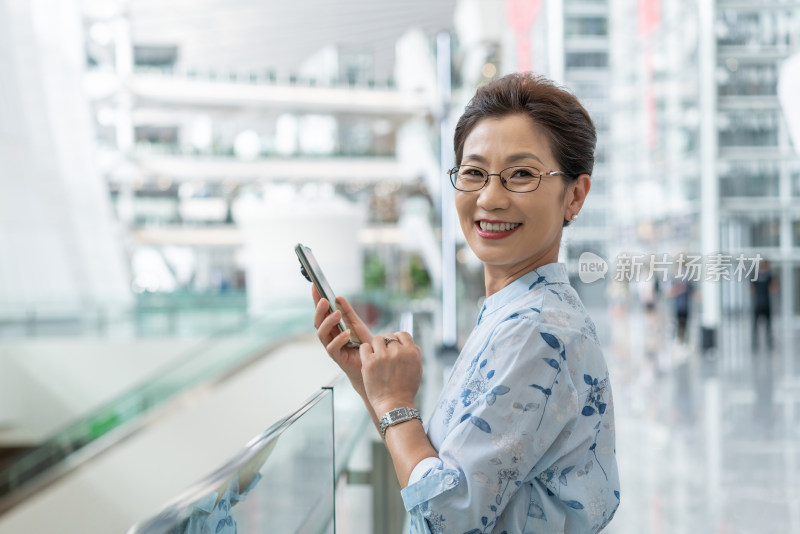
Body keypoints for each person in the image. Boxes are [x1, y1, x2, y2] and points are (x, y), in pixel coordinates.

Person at [312, 73, 620, 533]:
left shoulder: (534, 329)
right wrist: (373, 390)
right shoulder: (517, 311)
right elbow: (457, 470)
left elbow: (447, 518)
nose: (490, 198)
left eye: (521, 174)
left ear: (574, 195)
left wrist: (395, 402)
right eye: (474, 173)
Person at [751, 259, 776, 350]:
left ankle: (754, 344)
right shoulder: (769, 276)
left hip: (757, 303)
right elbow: (773, 288)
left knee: (755, 326)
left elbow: (752, 289)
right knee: (768, 326)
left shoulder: (755, 276)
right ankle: (769, 343)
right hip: (766, 304)